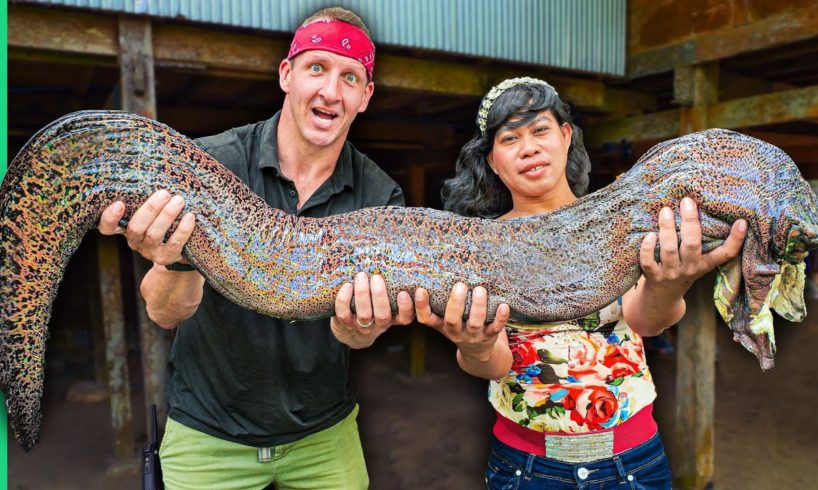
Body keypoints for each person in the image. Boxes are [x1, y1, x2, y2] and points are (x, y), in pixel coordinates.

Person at [99, 7, 414, 489]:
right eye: (317, 68)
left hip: (323, 435)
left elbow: (360, 339)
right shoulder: (206, 163)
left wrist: (363, 328)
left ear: (365, 97)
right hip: (208, 433)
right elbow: (164, 315)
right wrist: (178, 257)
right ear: (286, 75)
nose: (331, 91)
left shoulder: (381, 196)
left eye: (350, 77)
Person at [414, 77, 747, 489]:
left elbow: (646, 322)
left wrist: (668, 285)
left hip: (635, 462)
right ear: (493, 160)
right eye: (510, 138)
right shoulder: (480, 246)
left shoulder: (619, 220)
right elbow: (494, 364)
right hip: (527, 469)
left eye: (540, 130)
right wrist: (475, 344)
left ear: (566, 136)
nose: (529, 147)